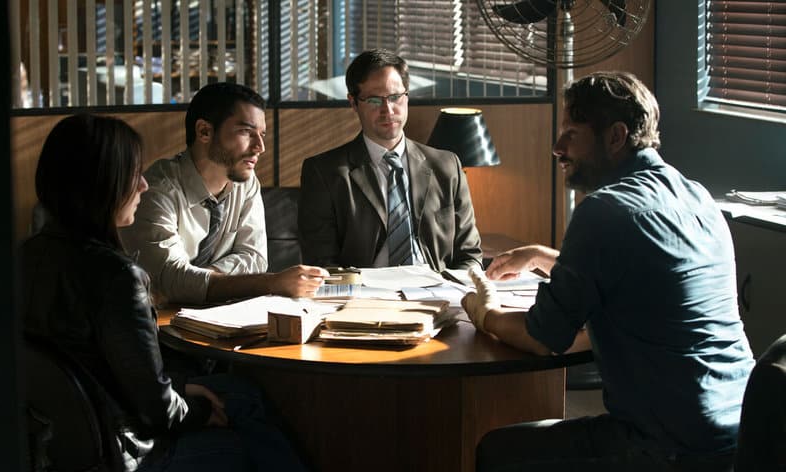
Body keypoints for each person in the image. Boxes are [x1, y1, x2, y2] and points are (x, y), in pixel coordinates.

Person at [461, 71, 755, 470]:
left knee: (499, 450)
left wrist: (482, 311)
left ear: (615, 137)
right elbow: (638, 272)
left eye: (571, 134)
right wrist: (540, 255)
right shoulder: (696, 196)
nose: (557, 147)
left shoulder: (603, 211)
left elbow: (542, 337)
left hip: (667, 444)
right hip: (742, 431)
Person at [20, 113, 308, 471]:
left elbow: (106, 371)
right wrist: (197, 409)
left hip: (65, 444)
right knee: (246, 434)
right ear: (100, 183)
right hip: (127, 451)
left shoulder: (25, 257)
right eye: (132, 174)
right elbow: (157, 410)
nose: (142, 185)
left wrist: (183, 391)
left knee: (243, 393)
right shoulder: (117, 277)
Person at [121, 82, 328, 305]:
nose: (260, 147)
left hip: (220, 318)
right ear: (204, 131)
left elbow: (255, 259)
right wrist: (271, 282)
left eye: (262, 134)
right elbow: (171, 278)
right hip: (160, 325)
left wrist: (198, 281)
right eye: (246, 132)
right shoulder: (156, 190)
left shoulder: (246, 183)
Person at [297, 48, 482, 271]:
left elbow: (469, 254)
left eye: (395, 97)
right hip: (364, 297)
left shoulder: (446, 166)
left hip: (437, 294)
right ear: (353, 103)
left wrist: (453, 291)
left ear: (407, 97)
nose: (388, 110)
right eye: (374, 100)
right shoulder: (324, 172)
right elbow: (321, 263)